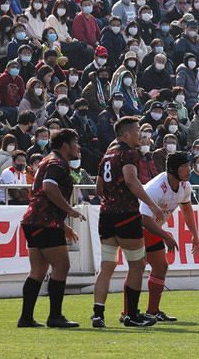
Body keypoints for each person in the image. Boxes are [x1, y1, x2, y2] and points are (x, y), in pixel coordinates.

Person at [92, 116, 163, 328]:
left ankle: (98, 314)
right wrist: (152, 204)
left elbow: (99, 188)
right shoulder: (127, 153)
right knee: (137, 265)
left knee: (107, 267)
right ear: (125, 135)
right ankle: (131, 314)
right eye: (136, 131)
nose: (140, 135)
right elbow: (132, 181)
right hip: (126, 215)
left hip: (106, 216)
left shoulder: (107, 154)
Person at [17, 129, 86, 328]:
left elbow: (41, 195)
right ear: (65, 145)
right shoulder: (57, 163)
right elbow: (48, 187)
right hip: (45, 222)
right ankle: (55, 316)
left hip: (34, 220)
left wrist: (62, 225)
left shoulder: (48, 160)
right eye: (75, 142)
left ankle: (26, 317)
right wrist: (70, 210)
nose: (78, 147)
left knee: (38, 270)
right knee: (62, 266)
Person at [137, 152, 199, 322]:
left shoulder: (184, 186)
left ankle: (152, 311)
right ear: (173, 170)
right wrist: (166, 236)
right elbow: (143, 218)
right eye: (184, 167)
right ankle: (128, 312)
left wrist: (195, 235)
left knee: (160, 267)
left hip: (151, 228)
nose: (189, 169)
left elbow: (186, 209)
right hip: (135, 227)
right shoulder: (156, 188)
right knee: (137, 269)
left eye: (188, 165)